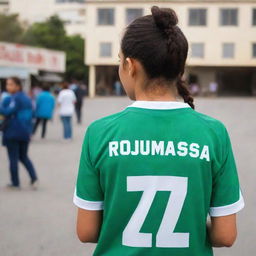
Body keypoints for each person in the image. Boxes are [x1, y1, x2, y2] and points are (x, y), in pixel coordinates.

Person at [73, 7, 244, 256]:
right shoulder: (214, 133)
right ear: (179, 68)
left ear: (130, 66)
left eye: (119, 61)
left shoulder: (100, 133)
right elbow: (225, 235)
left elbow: (86, 231)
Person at [0, 77, 38, 189]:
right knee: (23, 156)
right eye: (7, 84)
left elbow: (7, 111)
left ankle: (15, 182)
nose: (8, 87)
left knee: (13, 158)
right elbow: (33, 114)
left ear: (18, 86)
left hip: (13, 132)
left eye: (10, 84)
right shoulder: (27, 98)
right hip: (25, 132)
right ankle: (34, 177)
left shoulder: (14, 98)